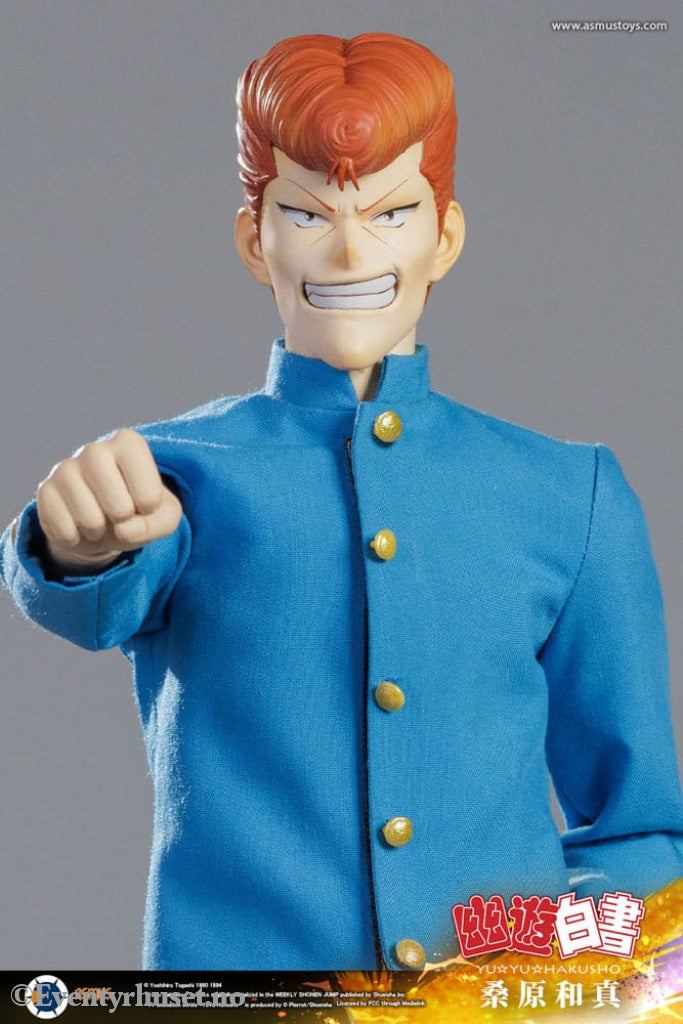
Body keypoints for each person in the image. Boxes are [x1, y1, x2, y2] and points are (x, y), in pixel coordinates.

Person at [1, 33, 682, 972]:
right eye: (307, 213)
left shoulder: (569, 494)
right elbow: (93, 587)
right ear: (257, 241)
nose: (353, 247)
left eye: (392, 212)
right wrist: (76, 545)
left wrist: (518, 968)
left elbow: (645, 839)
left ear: (444, 237)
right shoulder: (173, 475)